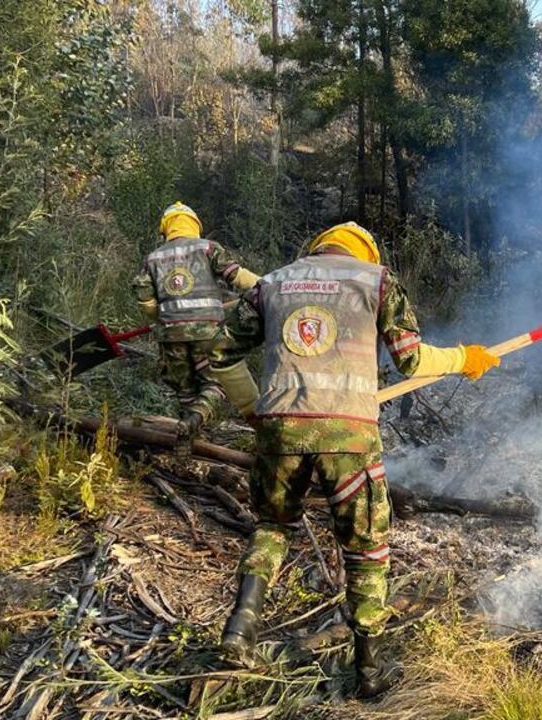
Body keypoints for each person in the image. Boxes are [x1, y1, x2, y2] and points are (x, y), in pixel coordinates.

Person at [218, 221, 499, 697]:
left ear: (316, 251)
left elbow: (218, 353)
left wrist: (252, 410)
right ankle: (368, 675)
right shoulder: (377, 281)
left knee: (271, 527)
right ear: (365, 254)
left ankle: (241, 626)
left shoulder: (270, 284)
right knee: (366, 551)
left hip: (280, 432)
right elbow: (410, 359)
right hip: (350, 439)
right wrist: (464, 357)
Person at [131, 202, 262, 445]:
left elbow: (146, 303)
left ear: (166, 229)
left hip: (170, 335)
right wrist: (269, 286)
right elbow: (237, 276)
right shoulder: (209, 248)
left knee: (185, 391)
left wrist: (162, 320)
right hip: (208, 333)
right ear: (195, 226)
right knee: (217, 385)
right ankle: (196, 421)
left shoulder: (152, 258)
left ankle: (187, 442)